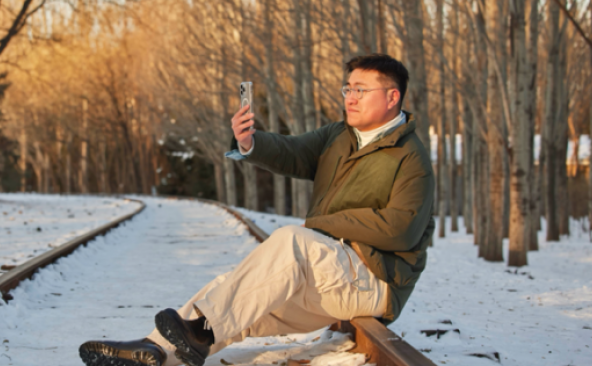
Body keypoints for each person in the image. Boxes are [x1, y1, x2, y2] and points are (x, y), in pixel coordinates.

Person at [79, 54, 435, 366]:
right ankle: (153, 352)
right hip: (329, 275)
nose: (350, 98)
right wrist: (250, 142)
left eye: (361, 90)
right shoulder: (340, 135)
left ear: (392, 97)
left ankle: (198, 332)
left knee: (291, 241)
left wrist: (322, 225)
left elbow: (400, 229)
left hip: (375, 283)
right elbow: (292, 152)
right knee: (242, 299)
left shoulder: (411, 156)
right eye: (348, 89)